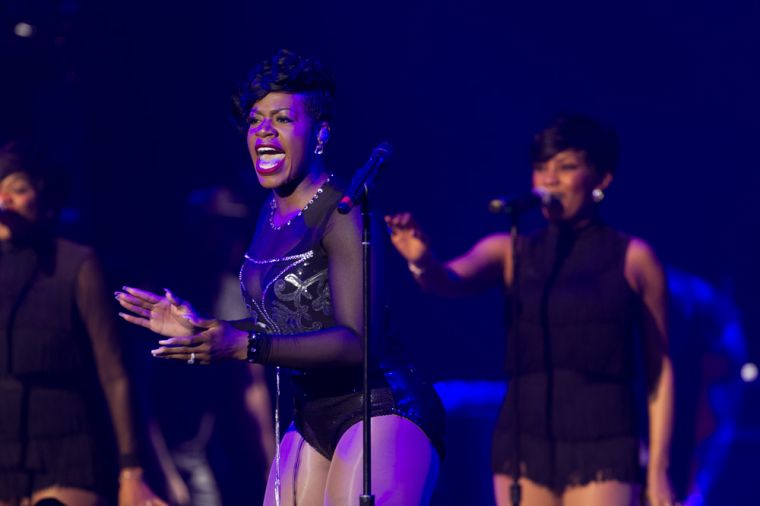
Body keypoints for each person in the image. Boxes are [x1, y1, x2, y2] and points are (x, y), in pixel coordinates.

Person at [115, 49, 445, 506]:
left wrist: (243, 345)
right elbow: (288, 325)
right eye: (255, 120)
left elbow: (356, 341)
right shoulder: (269, 213)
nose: (264, 131)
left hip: (379, 406)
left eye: (283, 119)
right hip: (312, 414)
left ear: (321, 133)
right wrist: (208, 329)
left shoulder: (345, 211)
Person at [385, 115, 675, 506]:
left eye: (566, 167)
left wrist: (658, 470)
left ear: (601, 179)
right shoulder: (510, 250)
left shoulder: (635, 259)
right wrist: (423, 262)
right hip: (524, 440)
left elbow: (660, 371)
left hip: (605, 438)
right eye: (541, 168)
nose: (550, 180)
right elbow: (447, 280)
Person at [0, 143, 165, 506]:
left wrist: (131, 470)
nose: (5, 200)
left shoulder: (74, 263)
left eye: (18, 188)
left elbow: (113, 371)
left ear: (43, 196)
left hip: (68, 449)